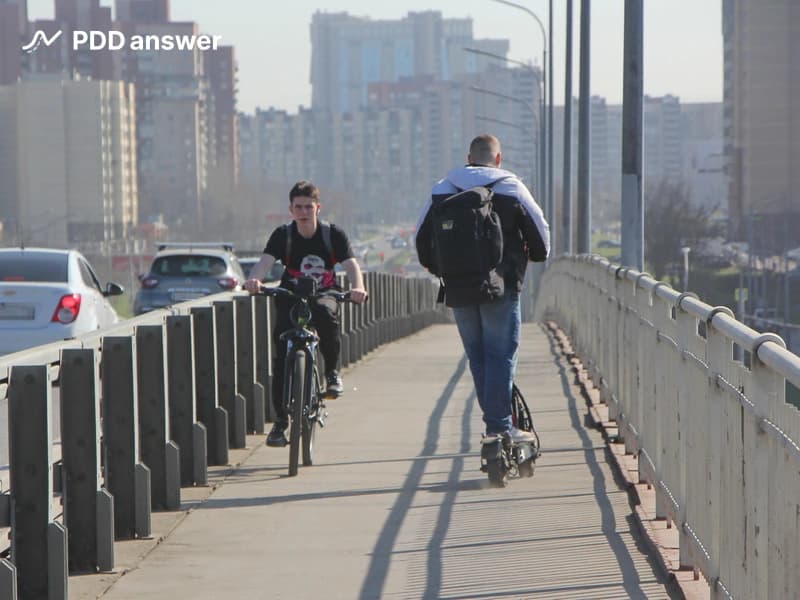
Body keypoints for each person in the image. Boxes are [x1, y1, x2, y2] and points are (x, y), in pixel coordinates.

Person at [415, 134, 550, 444]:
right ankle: (499, 427)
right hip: (501, 286)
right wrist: (535, 256)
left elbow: (421, 239)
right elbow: (541, 236)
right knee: (500, 355)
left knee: (478, 356)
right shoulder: (511, 187)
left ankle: (496, 424)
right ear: (498, 158)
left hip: (458, 288)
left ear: (469, 157)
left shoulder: (442, 189)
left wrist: (441, 270)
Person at [245, 180, 368, 447]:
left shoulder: (332, 235)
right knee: (281, 350)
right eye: (298, 207)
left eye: (308, 207)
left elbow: (351, 265)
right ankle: (280, 424)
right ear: (291, 210)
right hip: (292, 293)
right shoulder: (283, 235)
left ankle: (332, 373)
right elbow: (264, 263)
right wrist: (254, 281)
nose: (303, 212)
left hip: (324, 291)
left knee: (326, 316)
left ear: (318, 208)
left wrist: (358, 287)